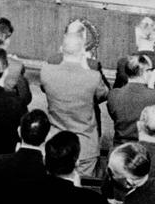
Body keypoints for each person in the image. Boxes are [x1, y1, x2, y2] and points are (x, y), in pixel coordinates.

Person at [41, 29, 108, 179]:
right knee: (82, 192)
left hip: (54, 142)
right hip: (84, 146)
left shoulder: (46, 71)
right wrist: (85, 67)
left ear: (61, 49)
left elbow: (44, 88)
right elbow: (103, 95)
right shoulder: (93, 77)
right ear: (83, 52)